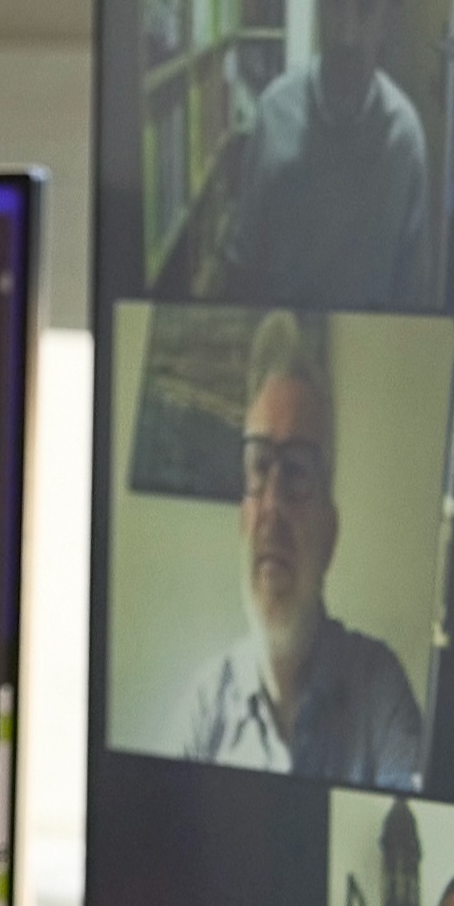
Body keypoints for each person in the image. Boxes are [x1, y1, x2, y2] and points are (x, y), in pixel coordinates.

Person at [151, 310, 426, 782]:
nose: (273, 506)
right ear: (242, 521)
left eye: (297, 471)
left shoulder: (379, 690)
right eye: (259, 467)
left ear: (330, 535)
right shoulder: (202, 708)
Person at [183, 0, 450, 307]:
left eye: (366, 1)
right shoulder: (273, 115)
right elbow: (240, 274)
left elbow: (414, 308)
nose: (347, 32)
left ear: (389, 12)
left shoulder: (406, 143)